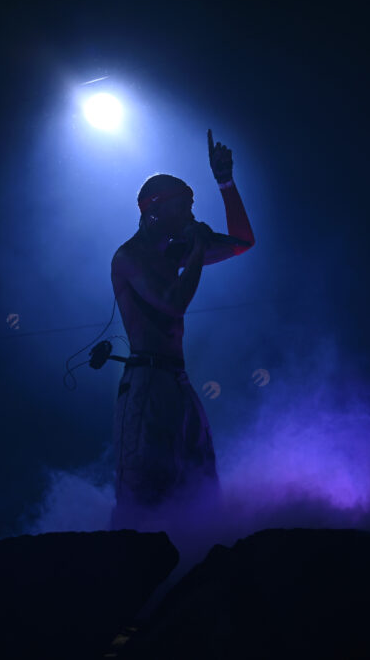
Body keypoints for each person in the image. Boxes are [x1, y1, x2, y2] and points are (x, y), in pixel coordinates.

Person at [108, 130, 255, 530]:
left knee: (199, 483)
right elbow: (173, 302)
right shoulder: (129, 257)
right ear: (155, 211)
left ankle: (199, 554)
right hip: (147, 381)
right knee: (142, 492)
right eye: (184, 207)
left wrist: (226, 183)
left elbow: (243, 242)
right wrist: (196, 249)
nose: (191, 215)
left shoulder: (172, 251)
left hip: (177, 380)